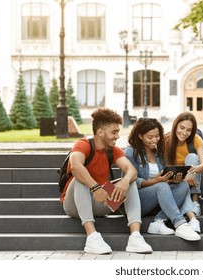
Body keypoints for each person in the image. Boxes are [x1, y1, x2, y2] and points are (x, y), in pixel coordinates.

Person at [60, 108, 153, 255]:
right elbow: (76, 166)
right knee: (80, 178)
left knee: (130, 181)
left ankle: (135, 237)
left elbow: (132, 171)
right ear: (100, 132)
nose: (117, 136)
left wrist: (125, 181)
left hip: (100, 202)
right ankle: (92, 237)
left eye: (118, 132)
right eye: (114, 132)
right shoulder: (83, 144)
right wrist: (96, 188)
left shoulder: (113, 150)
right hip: (74, 204)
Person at [124, 118, 201, 241]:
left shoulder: (158, 152)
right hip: (138, 200)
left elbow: (162, 177)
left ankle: (158, 221)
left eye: (157, 136)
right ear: (140, 136)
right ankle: (180, 223)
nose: (154, 140)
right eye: (150, 137)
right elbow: (132, 181)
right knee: (162, 186)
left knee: (183, 185)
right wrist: (155, 181)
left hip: (158, 198)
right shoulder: (131, 152)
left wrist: (171, 179)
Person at [165, 112, 203, 216]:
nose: (184, 133)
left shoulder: (196, 139)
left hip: (199, 181)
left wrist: (191, 171)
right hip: (178, 181)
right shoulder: (166, 140)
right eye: (182, 128)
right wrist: (184, 178)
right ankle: (188, 208)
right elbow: (165, 170)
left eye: (189, 130)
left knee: (192, 157)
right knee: (182, 185)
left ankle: (195, 202)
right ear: (175, 126)